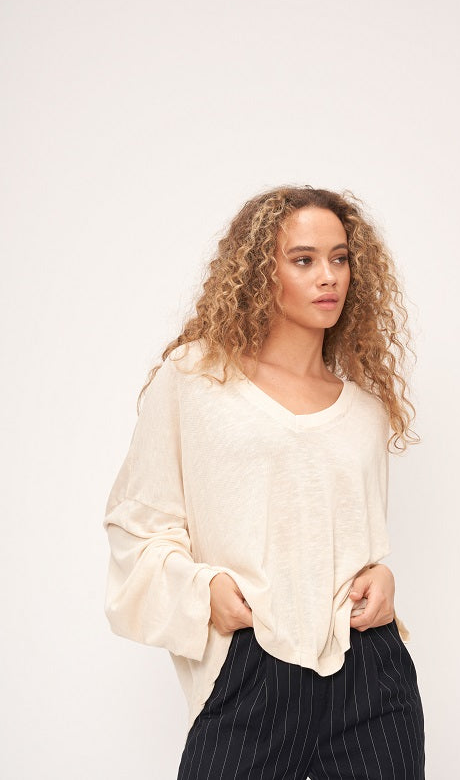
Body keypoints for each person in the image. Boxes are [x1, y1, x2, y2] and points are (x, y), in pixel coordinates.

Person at [103, 184, 425, 779]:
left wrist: (380, 576)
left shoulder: (365, 412)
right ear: (260, 272)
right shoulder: (197, 380)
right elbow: (137, 524)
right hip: (253, 662)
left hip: (369, 670)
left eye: (340, 258)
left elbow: (347, 539)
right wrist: (204, 590)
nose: (328, 276)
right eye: (303, 260)